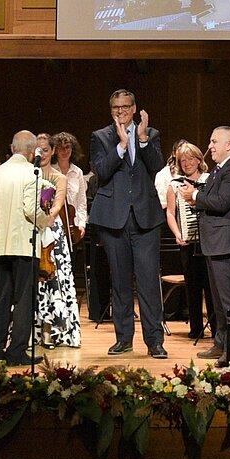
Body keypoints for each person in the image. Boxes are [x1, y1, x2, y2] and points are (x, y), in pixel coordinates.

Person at [89, 89, 167, 359]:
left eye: (125, 107)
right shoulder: (101, 136)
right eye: (115, 108)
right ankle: (123, 339)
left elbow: (157, 167)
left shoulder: (151, 134)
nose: (120, 111)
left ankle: (154, 341)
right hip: (114, 219)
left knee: (148, 282)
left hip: (146, 218)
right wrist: (121, 146)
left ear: (134, 109)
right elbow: (101, 171)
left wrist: (141, 139)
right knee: (120, 282)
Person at [182, 126, 230, 365]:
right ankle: (221, 343)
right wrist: (196, 196)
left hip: (227, 245)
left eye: (214, 141)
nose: (209, 146)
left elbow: (221, 202)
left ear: (229, 145)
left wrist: (195, 196)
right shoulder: (221, 168)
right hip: (216, 244)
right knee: (219, 302)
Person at [0, 130, 50, 366]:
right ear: (32, 152)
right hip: (24, 244)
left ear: (12, 148)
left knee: (0, 299)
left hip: (0, 245)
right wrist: (47, 220)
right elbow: (32, 210)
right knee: (23, 301)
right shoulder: (33, 172)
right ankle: (16, 351)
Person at [34, 133, 81, 348]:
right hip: (32, 230)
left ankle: (53, 330)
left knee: (55, 281)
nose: (42, 154)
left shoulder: (59, 177)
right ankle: (34, 330)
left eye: (45, 150)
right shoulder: (29, 175)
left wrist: (45, 218)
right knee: (36, 282)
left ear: (52, 151)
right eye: (38, 150)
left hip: (52, 232)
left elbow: (57, 205)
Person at [166, 141, 210, 341]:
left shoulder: (210, 180)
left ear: (199, 160)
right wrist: (177, 233)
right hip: (188, 243)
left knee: (211, 288)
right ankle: (196, 329)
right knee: (193, 287)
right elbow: (170, 212)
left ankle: (217, 329)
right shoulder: (175, 184)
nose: (187, 163)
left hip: (209, 242)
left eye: (191, 159)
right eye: (182, 160)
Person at [155, 139, 189, 211]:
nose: (184, 155)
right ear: (174, 154)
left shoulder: (193, 172)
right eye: (181, 151)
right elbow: (161, 203)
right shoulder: (163, 174)